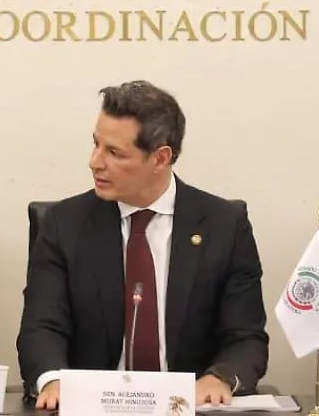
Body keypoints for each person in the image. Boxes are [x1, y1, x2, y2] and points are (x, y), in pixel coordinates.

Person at [17, 80, 268, 409]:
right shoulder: (64, 224)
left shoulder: (224, 225)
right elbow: (41, 327)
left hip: (187, 410)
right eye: (96, 145)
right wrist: (53, 380)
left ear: (160, 158)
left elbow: (246, 336)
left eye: (114, 153)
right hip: (92, 409)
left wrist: (219, 377)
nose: (95, 162)